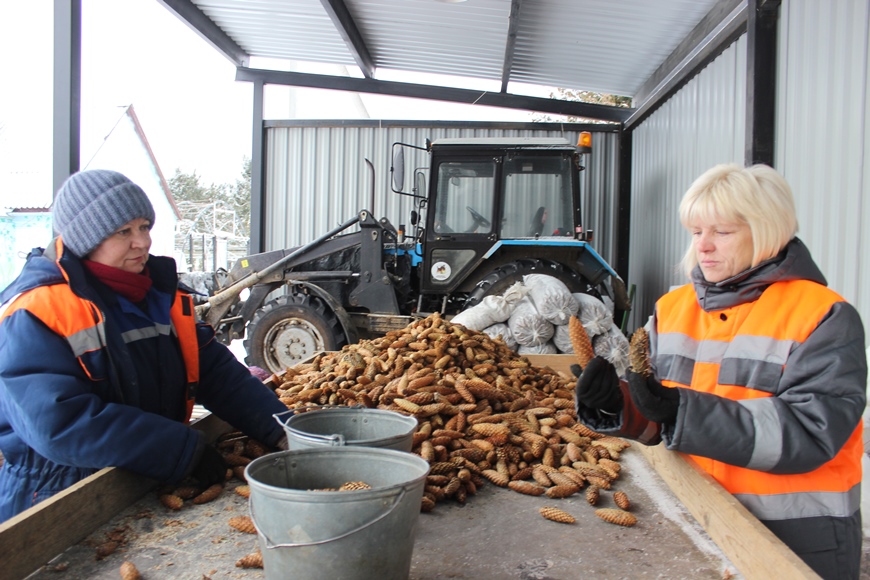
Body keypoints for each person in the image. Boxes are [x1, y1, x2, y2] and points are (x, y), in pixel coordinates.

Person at [572, 163, 866, 579]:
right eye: (696, 232)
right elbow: (664, 421)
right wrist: (619, 406)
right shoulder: (672, 310)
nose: (704, 246)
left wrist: (679, 410)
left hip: (795, 536)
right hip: (697, 521)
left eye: (722, 232)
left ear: (767, 231)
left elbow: (811, 431)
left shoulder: (823, 316)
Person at [0, 169, 289, 522]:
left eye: (144, 227)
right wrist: (180, 450)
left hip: (146, 476)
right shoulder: (35, 312)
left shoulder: (158, 294)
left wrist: (282, 430)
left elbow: (215, 373)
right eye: (124, 232)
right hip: (55, 492)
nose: (142, 242)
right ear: (85, 239)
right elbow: (58, 423)